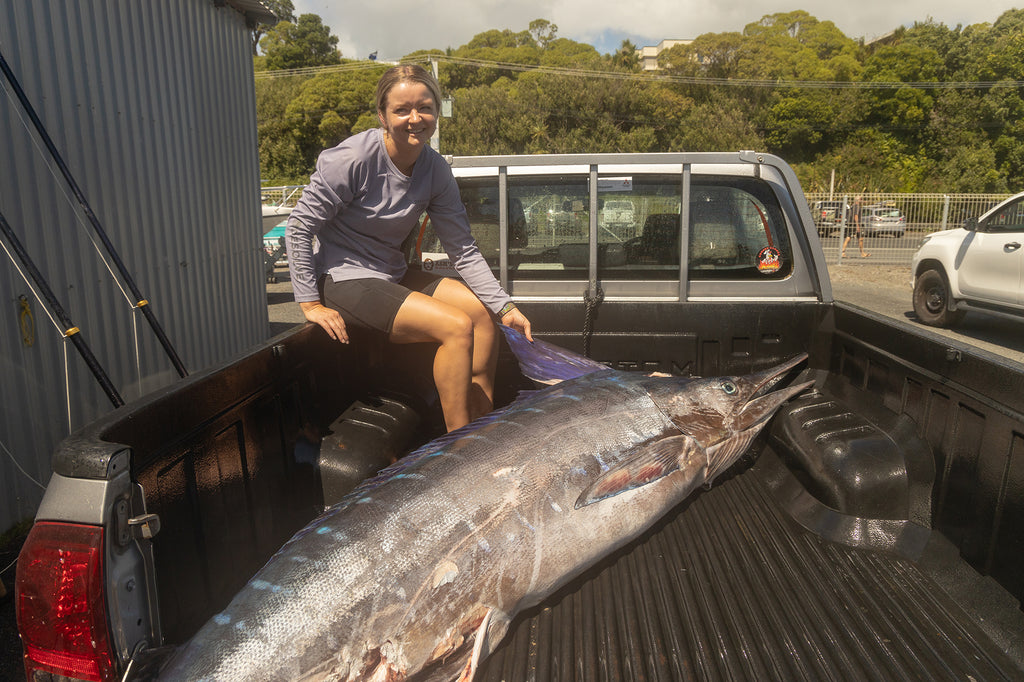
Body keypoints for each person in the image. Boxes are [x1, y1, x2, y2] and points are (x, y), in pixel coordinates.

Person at [285, 64, 532, 432]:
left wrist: (504, 305)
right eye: (402, 109)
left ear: (436, 111)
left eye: (425, 107)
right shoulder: (354, 159)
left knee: (482, 316)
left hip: (390, 272)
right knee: (456, 326)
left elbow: (462, 247)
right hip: (343, 277)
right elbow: (299, 226)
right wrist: (309, 302)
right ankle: (460, 448)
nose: (415, 118)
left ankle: (482, 430)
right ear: (382, 116)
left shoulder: (434, 169)